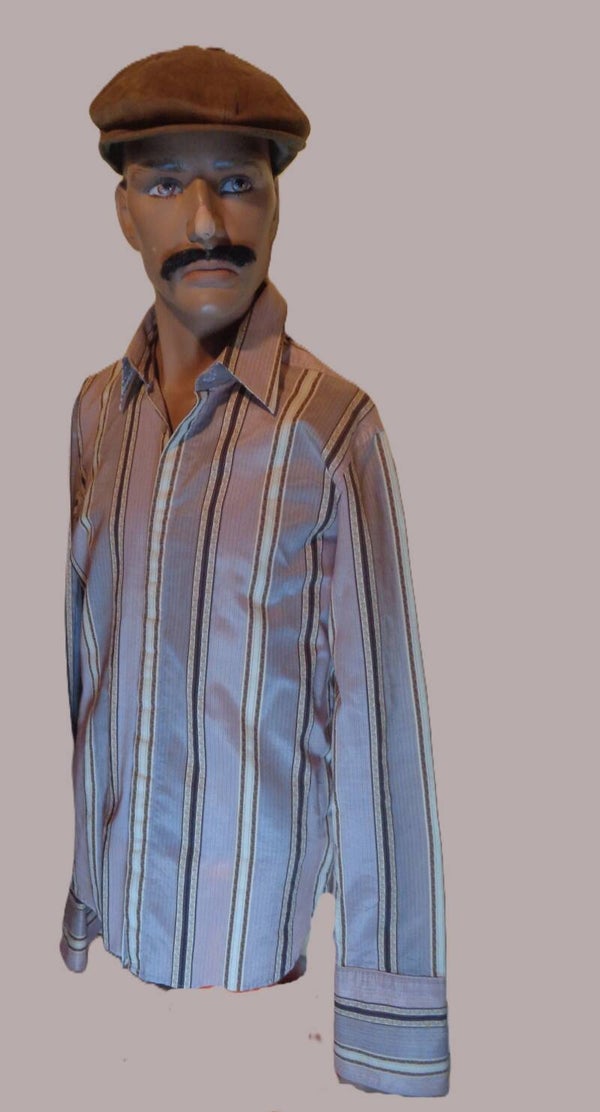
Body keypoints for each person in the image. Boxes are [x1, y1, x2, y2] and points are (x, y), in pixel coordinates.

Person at [59, 45, 450, 1097]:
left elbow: (382, 740)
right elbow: (88, 672)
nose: (205, 223)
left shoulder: (332, 431)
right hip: (107, 978)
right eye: (164, 185)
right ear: (124, 212)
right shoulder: (96, 413)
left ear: (276, 202)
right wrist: (84, 891)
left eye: (237, 182)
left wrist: (386, 1021)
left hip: (262, 991)